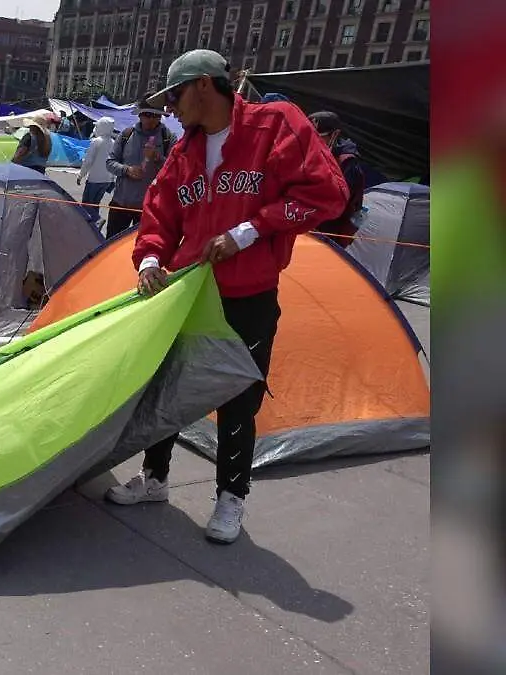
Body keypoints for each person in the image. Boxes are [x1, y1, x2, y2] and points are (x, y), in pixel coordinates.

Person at [107, 49, 348, 544]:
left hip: (248, 293)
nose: (169, 108)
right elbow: (160, 215)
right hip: (187, 293)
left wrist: (250, 232)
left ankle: (231, 497)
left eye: (173, 95)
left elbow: (327, 195)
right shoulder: (185, 151)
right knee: (167, 385)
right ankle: (154, 478)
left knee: (239, 397)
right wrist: (150, 259)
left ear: (201, 86)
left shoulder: (275, 125)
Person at [103, 95, 176, 238]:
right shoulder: (126, 135)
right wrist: (127, 170)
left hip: (150, 209)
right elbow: (110, 162)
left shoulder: (168, 138)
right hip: (121, 204)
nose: (152, 119)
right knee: (111, 246)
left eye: (157, 115)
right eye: (148, 115)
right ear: (140, 115)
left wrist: (157, 157)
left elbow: (175, 170)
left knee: (142, 249)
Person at [308, 111, 373, 248]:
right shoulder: (309, 152)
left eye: (319, 137)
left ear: (335, 134)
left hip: (330, 233)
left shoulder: (348, 164)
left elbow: (338, 202)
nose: (313, 142)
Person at [76, 116, 116, 224]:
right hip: (107, 180)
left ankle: (97, 220)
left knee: (86, 204)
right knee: (95, 203)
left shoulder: (96, 141)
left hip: (94, 179)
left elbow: (88, 161)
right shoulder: (113, 142)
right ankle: (93, 225)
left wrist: (81, 175)